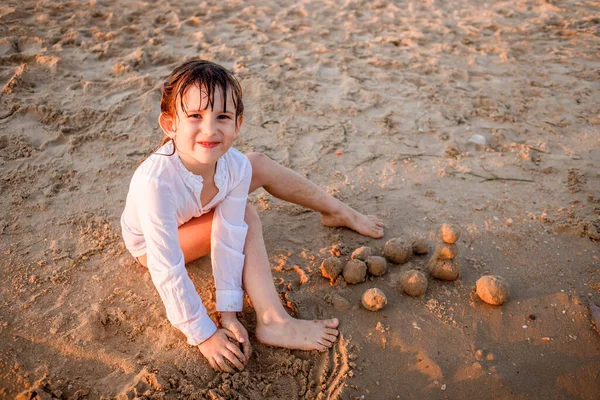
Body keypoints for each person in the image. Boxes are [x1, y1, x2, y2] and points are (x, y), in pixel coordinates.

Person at [120, 59, 384, 373]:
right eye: (194, 116)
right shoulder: (156, 182)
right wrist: (203, 334)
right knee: (248, 215)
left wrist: (229, 312)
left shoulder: (235, 166)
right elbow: (166, 269)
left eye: (222, 116)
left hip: (199, 209)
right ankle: (274, 320)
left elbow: (228, 236)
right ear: (170, 125)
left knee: (253, 164)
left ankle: (338, 211)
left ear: (237, 124)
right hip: (152, 247)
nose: (210, 128)